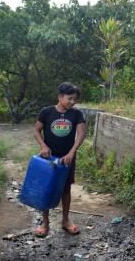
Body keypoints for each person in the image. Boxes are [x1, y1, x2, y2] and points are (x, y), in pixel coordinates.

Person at [33, 82, 86, 238]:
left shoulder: (76, 114)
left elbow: (82, 134)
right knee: (46, 188)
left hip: (67, 158)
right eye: (69, 98)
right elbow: (36, 130)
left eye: (75, 99)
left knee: (66, 189)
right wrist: (43, 146)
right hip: (48, 158)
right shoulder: (46, 112)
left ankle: (65, 220)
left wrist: (71, 153)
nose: (72, 102)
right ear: (60, 97)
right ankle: (45, 222)